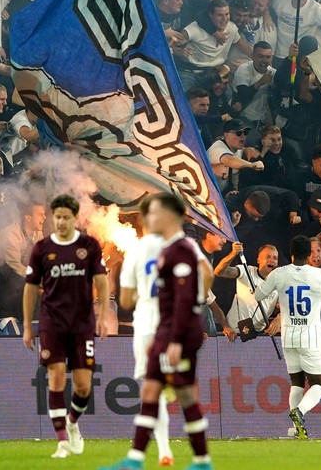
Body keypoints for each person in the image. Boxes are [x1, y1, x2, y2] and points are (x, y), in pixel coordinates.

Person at [101, 193, 213, 470]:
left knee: (172, 391)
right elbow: (206, 274)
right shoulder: (179, 246)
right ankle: (142, 457)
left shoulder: (154, 249)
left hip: (163, 326)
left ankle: (192, 458)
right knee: (156, 389)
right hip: (165, 325)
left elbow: (126, 300)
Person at [22, 194, 108, 459]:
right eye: (56, 217)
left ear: (74, 218)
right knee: (56, 378)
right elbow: (30, 288)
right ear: (52, 217)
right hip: (52, 323)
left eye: (65, 217)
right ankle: (61, 442)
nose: (60, 222)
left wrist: (103, 316)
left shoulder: (89, 246)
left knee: (83, 386)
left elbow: (102, 282)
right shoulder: (41, 249)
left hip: (82, 323)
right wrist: (27, 325)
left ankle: (72, 422)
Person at [254, 234, 321, 439]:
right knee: (320, 384)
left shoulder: (279, 274)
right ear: (309, 254)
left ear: (290, 253)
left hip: (288, 337)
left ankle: (294, 429)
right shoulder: (318, 275)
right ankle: (300, 412)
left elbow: (258, 296)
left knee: (297, 383)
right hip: (310, 338)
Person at [117, 198, 175, 467]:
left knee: (151, 389)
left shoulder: (136, 252)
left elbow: (125, 301)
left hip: (145, 327)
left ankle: (164, 449)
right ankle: (164, 449)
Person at [207, 119, 263, 195]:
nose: (243, 136)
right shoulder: (217, 148)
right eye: (238, 133)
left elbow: (234, 176)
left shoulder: (238, 150)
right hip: (207, 193)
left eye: (245, 133)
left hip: (223, 193)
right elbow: (229, 160)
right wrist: (251, 165)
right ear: (226, 135)